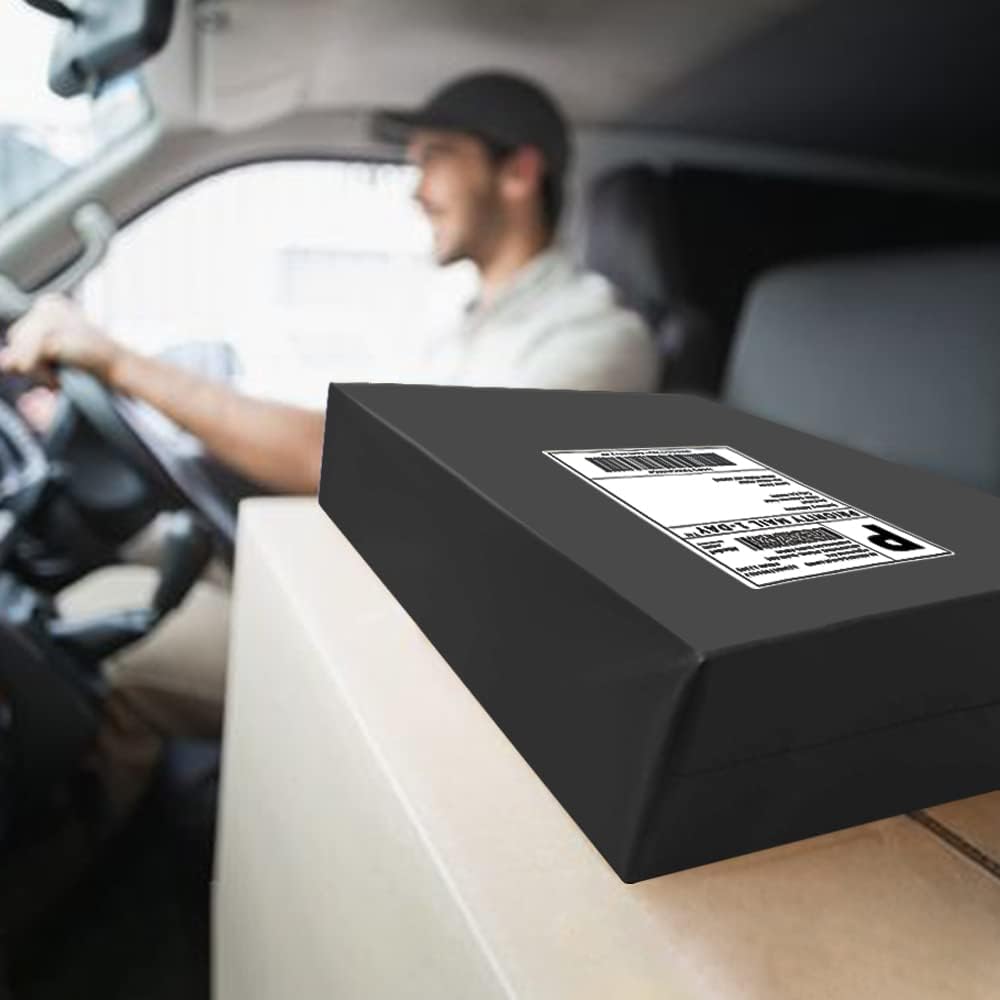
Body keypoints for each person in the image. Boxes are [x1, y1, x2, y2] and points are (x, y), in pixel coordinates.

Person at [0, 71, 660, 821]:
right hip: (351, 590)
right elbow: (354, 436)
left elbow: (360, 462)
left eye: (436, 158)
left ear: (518, 172)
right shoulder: (464, 324)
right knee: (122, 568)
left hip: (419, 659)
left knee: (102, 641)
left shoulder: (594, 341)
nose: (417, 191)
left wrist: (118, 363)